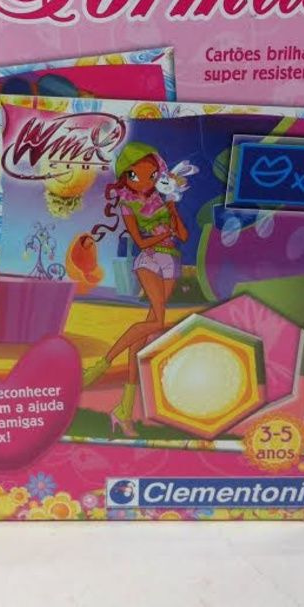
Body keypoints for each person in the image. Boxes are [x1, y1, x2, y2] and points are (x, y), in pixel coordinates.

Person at [82, 142, 189, 437]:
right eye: (135, 175)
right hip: (149, 260)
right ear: (125, 176)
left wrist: (173, 208)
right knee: (157, 322)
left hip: (171, 262)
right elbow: (140, 242)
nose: (144, 181)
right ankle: (103, 363)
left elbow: (183, 235)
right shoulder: (128, 204)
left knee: (142, 337)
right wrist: (162, 236)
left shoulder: (164, 198)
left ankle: (124, 410)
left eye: (151, 175)